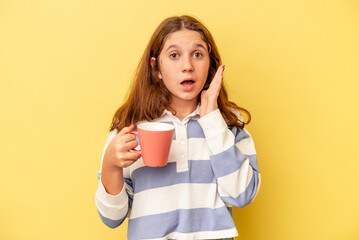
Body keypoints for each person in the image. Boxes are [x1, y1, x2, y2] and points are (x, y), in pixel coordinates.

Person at [95, 15, 261, 240]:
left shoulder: (228, 123)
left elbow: (242, 194)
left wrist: (212, 120)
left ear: (210, 65)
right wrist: (110, 166)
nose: (187, 66)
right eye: (174, 55)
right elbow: (111, 218)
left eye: (197, 54)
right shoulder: (130, 127)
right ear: (156, 69)